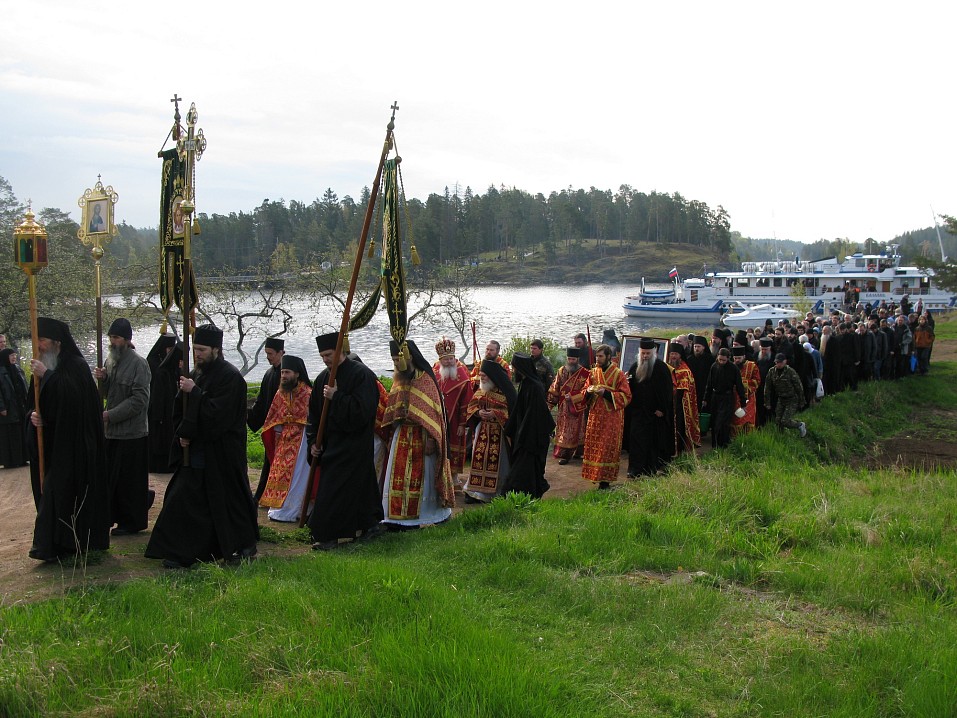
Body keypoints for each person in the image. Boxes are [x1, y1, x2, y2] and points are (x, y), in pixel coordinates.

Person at [145, 325, 259, 568]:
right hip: (197, 449)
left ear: (216, 349)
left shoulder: (231, 377)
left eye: (202, 350)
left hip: (222, 451)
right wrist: (183, 434)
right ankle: (180, 551)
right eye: (195, 349)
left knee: (230, 501)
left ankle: (244, 544)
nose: (197, 354)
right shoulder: (195, 374)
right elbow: (181, 409)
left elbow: (219, 415)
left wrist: (195, 393)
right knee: (182, 498)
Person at [27, 317, 110, 562]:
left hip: (75, 446)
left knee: (61, 492)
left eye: (42, 340)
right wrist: (33, 416)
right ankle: (52, 545)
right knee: (50, 492)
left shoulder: (76, 365)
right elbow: (33, 403)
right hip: (53, 443)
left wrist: (48, 376)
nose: (39, 345)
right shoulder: (42, 365)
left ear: (57, 342)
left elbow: (74, 402)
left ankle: (68, 543)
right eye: (36, 340)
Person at [306, 333, 384, 548]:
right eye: (322, 356)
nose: (325, 360)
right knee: (347, 488)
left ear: (340, 351)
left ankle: (330, 535)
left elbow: (364, 411)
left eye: (329, 355)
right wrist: (313, 441)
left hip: (355, 443)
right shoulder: (322, 378)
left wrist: (337, 397)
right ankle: (368, 524)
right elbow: (313, 415)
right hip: (331, 445)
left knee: (342, 489)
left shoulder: (362, 374)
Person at [381, 340, 455, 527]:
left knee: (425, 478)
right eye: (393, 360)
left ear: (409, 357)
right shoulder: (400, 379)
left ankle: (431, 515)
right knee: (397, 476)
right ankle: (397, 518)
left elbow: (434, 415)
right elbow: (394, 409)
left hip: (423, 436)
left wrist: (431, 438)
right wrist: (391, 434)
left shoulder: (426, 380)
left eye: (398, 359)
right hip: (402, 435)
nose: (396, 364)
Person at [93, 318, 152, 535]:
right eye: (110, 337)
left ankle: (132, 521)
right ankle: (113, 517)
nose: (112, 341)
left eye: (116, 337)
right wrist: (103, 379)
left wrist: (110, 415)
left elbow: (139, 400)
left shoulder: (139, 364)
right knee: (113, 479)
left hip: (132, 433)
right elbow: (108, 394)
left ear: (127, 340)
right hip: (112, 433)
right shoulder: (110, 361)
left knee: (130, 481)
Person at [258, 355, 313, 523]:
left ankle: (295, 509)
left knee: (297, 476)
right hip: (283, 439)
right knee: (279, 473)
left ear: (297, 374)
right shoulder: (280, 392)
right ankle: (278, 507)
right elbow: (273, 416)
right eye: (282, 372)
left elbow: (312, 419)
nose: (283, 376)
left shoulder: (307, 393)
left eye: (287, 372)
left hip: (302, 441)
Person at [501, 353, 555, 498]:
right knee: (526, 469)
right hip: (525, 434)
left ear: (520, 368)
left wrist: (522, 435)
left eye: (514, 368)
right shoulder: (525, 384)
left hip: (532, 437)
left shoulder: (535, 387)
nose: (513, 370)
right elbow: (519, 410)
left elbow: (534, 415)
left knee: (522, 469)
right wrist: (511, 429)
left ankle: (519, 495)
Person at [464, 358, 515, 503]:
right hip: (482, 431)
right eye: (480, 375)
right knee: (479, 459)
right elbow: (471, 406)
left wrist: (495, 413)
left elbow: (511, 411)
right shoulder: (482, 390)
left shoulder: (504, 391)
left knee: (497, 462)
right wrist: (478, 412)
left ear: (492, 376)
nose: (481, 378)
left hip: (499, 432)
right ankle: (476, 491)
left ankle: (497, 491)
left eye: (484, 376)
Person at [581, 344, 631, 489]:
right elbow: (585, 389)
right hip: (595, 415)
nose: (598, 359)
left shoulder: (618, 374)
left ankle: (605, 481)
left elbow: (626, 396)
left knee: (607, 448)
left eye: (601, 356)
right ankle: (595, 476)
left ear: (608, 356)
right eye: (597, 356)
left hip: (611, 417)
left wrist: (606, 393)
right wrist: (588, 391)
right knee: (595, 446)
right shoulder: (593, 372)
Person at [625, 338, 674, 478]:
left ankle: (650, 469)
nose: (645, 356)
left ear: (653, 353)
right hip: (638, 412)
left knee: (652, 442)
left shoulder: (661, 368)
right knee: (636, 441)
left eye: (648, 353)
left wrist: (662, 409)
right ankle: (634, 469)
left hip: (654, 413)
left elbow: (667, 392)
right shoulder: (635, 367)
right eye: (643, 353)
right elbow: (630, 389)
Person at [247, 337, 285, 502]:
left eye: (270, 354)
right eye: (266, 353)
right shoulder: (269, 373)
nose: (268, 357)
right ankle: (263, 495)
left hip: (284, 427)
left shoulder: (287, 373)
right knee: (269, 461)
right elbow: (262, 401)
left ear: (281, 353)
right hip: (271, 426)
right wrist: (250, 415)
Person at [432, 337, 474, 481]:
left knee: (454, 446)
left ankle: (454, 477)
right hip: (438, 416)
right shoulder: (435, 370)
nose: (449, 362)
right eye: (446, 359)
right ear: (440, 360)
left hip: (455, 418)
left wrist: (462, 424)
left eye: (451, 358)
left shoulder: (462, 372)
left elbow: (466, 401)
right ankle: (440, 476)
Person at [547, 347, 589, 464]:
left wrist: (573, 397)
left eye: (573, 359)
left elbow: (587, 391)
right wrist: (550, 404)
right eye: (569, 359)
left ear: (577, 359)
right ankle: (564, 455)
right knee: (564, 431)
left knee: (578, 431)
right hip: (563, 407)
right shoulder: (561, 371)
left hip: (577, 407)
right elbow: (555, 388)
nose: (571, 361)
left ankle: (578, 452)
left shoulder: (585, 373)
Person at [145, 335, 181, 472]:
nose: (170, 351)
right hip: (156, 405)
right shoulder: (153, 362)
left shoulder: (169, 364)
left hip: (168, 405)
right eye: (168, 349)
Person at [702, 348, 746, 449]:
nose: (721, 362)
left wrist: (743, 403)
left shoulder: (733, 368)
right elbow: (709, 384)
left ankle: (723, 446)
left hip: (727, 398)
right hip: (715, 397)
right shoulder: (714, 366)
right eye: (720, 359)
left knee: (722, 423)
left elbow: (739, 386)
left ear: (728, 358)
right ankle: (715, 446)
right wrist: (705, 398)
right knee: (714, 423)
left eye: (724, 360)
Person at [666, 343, 700, 455]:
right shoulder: (666, 367)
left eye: (675, 354)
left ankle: (679, 451)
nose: (673, 356)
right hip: (667, 403)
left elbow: (683, 390)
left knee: (679, 427)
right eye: (671, 354)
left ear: (680, 356)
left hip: (680, 405)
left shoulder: (685, 370)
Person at [764, 353, 807, 437]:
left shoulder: (790, 372)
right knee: (778, 421)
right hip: (781, 399)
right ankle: (781, 437)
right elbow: (767, 387)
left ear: (785, 362)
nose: (778, 364)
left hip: (791, 399)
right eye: (777, 362)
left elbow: (798, 386)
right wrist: (767, 402)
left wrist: (802, 400)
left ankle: (800, 425)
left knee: (785, 420)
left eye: (780, 362)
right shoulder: (772, 371)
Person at [0, 347, 28, 468]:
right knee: (9, 434)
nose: (14, 357)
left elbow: (24, 386)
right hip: (8, 406)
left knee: (20, 431)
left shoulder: (17, 369)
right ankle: (10, 460)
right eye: (11, 356)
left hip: (19, 405)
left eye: (14, 355)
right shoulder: (1, 372)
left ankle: (22, 458)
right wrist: (2, 407)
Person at [729, 346, 759, 437]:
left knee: (747, 419)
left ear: (744, 357)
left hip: (748, 399)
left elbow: (757, 381)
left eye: (739, 358)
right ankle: (735, 440)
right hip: (734, 398)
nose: (737, 360)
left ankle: (748, 440)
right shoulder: (731, 366)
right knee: (736, 420)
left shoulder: (752, 366)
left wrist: (742, 382)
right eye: (735, 358)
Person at [685, 336, 714, 412]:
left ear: (703, 347)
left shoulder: (710, 359)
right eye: (695, 346)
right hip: (693, 388)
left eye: (698, 347)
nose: (696, 349)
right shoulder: (689, 359)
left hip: (705, 389)